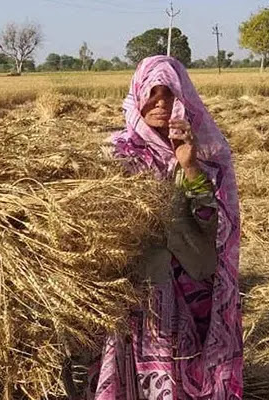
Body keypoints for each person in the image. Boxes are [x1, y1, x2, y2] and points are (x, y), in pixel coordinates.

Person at [88, 56, 242, 399]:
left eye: (169, 95)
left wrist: (189, 167)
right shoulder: (116, 154)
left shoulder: (203, 153)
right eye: (152, 94)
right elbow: (98, 224)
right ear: (137, 95)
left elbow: (214, 223)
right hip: (135, 289)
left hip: (189, 287)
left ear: (182, 99)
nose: (161, 104)